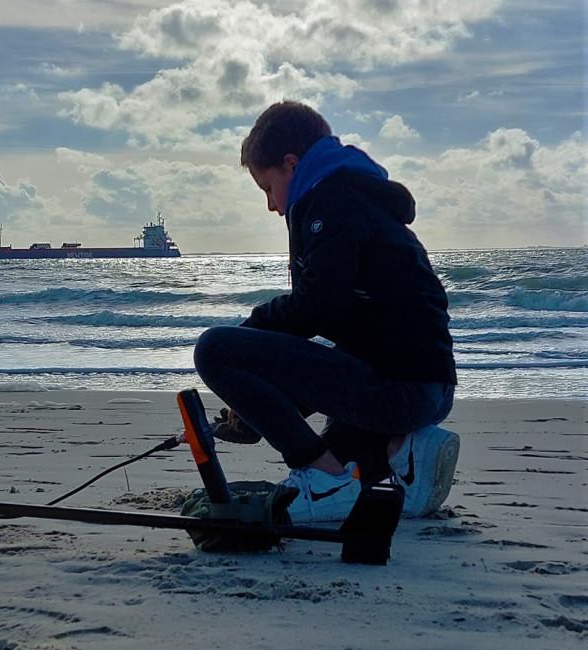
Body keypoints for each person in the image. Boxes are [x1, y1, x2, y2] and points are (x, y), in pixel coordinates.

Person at [194, 100, 459, 524]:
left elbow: (315, 310)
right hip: (429, 386)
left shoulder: (330, 203)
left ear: (291, 164)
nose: (272, 206)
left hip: (398, 388)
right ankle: (404, 450)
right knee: (346, 468)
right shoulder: (358, 198)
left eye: (267, 188)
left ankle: (332, 476)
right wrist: (253, 411)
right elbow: (340, 322)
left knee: (214, 350)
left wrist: (252, 333)